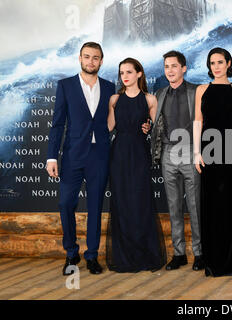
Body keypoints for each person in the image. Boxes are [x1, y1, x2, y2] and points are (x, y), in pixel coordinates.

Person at [46, 42, 115, 275]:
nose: (91, 61)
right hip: (73, 155)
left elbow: (113, 119)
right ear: (80, 58)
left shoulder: (109, 87)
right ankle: (71, 252)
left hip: (99, 155)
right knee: (66, 203)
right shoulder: (65, 85)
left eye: (96, 58)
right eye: (87, 57)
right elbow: (57, 124)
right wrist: (51, 158)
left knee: (95, 206)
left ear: (101, 61)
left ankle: (92, 255)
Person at [105, 57, 166, 272]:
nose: (125, 76)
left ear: (139, 73)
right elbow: (109, 127)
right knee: (121, 203)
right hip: (119, 153)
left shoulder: (150, 99)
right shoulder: (114, 99)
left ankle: (144, 255)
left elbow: (157, 129)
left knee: (140, 202)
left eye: (129, 72)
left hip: (140, 153)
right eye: (122, 73)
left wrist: (149, 127)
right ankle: (124, 257)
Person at [194, 47, 232, 277]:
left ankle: (231, 261)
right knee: (210, 205)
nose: (215, 66)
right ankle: (212, 260)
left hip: (230, 152)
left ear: (228, 63)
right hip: (208, 151)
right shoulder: (202, 89)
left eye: (219, 62)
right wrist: (197, 152)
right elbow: (198, 120)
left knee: (229, 204)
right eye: (212, 63)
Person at [150, 51, 204, 271]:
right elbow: (156, 123)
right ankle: (179, 253)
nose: (170, 70)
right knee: (173, 206)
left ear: (184, 68)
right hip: (168, 153)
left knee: (195, 205)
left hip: (191, 150)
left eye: (174, 66)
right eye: (166, 66)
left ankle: (200, 253)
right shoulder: (160, 93)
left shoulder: (195, 91)